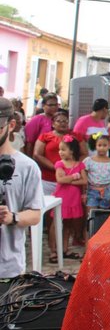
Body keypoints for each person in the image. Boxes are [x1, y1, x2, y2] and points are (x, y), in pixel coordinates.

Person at [0, 98, 43, 277]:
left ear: (10, 125)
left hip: (7, 268)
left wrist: (12, 217)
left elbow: (35, 214)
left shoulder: (27, 166)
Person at [33, 110, 86, 196]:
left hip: (71, 178)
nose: (63, 123)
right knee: (47, 205)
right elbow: (37, 155)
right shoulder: (45, 136)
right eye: (59, 121)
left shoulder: (76, 136)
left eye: (65, 121)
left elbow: (84, 153)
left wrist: (72, 167)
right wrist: (57, 168)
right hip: (48, 179)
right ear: (53, 124)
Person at [52, 134, 87, 261]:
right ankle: (55, 249)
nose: (60, 152)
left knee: (68, 225)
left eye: (63, 149)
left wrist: (69, 180)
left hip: (74, 198)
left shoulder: (79, 164)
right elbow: (60, 179)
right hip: (62, 197)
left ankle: (65, 249)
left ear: (71, 151)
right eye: (59, 149)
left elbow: (84, 181)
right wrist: (73, 177)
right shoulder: (59, 164)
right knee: (57, 224)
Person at [84, 135, 110, 223]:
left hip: (107, 191)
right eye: (99, 145)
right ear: (95, 146)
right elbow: (84, 179)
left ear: (109, 146)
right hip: (92, 191)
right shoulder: (88, 161)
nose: (102, 148)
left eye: (105, 145)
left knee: (104, 218)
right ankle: (89, 236)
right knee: (90, 217)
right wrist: (84, 193)